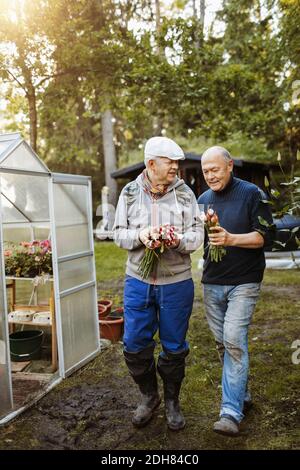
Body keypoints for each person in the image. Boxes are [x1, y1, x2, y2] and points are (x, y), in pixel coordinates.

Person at [113, 136, 203, 431]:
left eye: (177, 162)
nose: (176, 167)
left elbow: (197, 236)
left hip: (176, 283)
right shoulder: (128, 193)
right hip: (138, 281)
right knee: (135, 343)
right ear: (152, 164)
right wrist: (142, 236)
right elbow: (118, 234)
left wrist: (176, 240)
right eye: (171, 162)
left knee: (175, 346)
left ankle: (172, 401)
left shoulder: (186, 195)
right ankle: (149, 395)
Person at [197, 146, 273, 437]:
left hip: (245, 280)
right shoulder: (203, 200)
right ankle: (241, 392)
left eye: (214, 169)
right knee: (222, 344)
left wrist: (231, 239)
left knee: (233, 341)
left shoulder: (252, 193)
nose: (210, 176)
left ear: (229, 166)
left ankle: (230, 412)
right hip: (212, 281)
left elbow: (264, 236)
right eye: (205, 171)